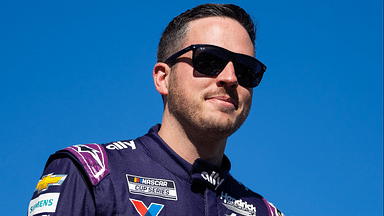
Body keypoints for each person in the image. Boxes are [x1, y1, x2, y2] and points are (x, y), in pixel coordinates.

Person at [28, 3, 284, 216]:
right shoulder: (92, 174)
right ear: (163, 78)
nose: (230, 78)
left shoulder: (265, 211)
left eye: (246, 69)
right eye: (209, 60)